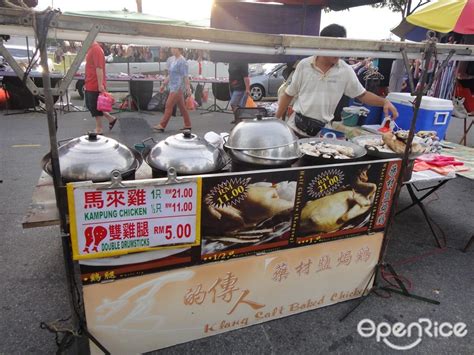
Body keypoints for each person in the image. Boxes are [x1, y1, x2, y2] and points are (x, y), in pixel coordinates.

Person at [276, 24, 398, 137]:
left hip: (320, 134)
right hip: (294, 129)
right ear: (323, 44)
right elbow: (288, 94)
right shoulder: (304, 65)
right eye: (336, 47)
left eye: (342, 47)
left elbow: (363, 95)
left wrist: (384, 102)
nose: (339, 52)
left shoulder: (345, 70)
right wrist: (276, 122)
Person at [153, 48, 192, 132]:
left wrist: (188, 89)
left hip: (177, 87)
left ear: (180, 50)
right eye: (172, 48)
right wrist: (164, 84)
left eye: (175, 48)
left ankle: (162, 125)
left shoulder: (182, 61)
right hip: (174, 87)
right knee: (182, 107)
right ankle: (188, 124)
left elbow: (185, 76)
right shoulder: (173, 60)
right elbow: (170, 75)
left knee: (168, 105)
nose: (172, 50)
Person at [84, 41, 117, 134]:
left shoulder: (96, 49)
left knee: (94, 106)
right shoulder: (93, 48)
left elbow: (99, 68)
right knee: (92, 105)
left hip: (94, 82)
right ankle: (110, 119)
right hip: (90, 81)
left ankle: (99, 128)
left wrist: (100, 84)